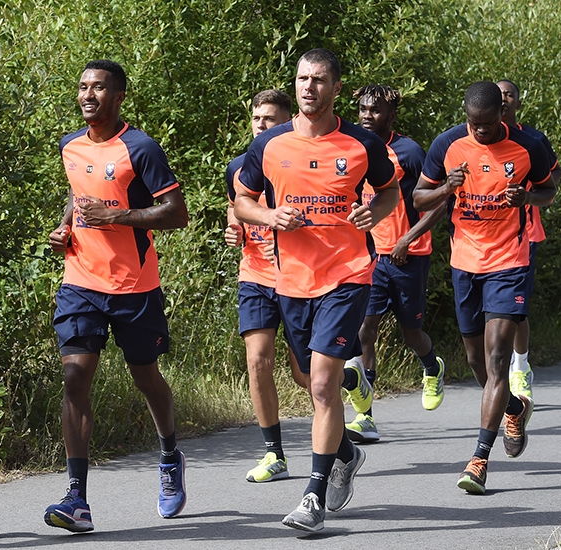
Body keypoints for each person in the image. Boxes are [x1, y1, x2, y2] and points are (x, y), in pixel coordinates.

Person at [235, 48, 398, 532]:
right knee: (309, 380)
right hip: (292, 280)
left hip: (347, 274)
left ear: (336, 88)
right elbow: (243, 201)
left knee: (326, 383)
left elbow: (390, 190)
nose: (309, 87)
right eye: (303, 78)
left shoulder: (361, 144)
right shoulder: (269, 146)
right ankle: (344, 455)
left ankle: (313, 497)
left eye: (319, 79)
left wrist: (377, 211)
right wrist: (270, 216)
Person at [44, 59, 190, 532]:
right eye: (82, 86)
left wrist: (119, 217)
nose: (88, 95)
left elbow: (175, 213)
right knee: (74, 379)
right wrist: (66, 226)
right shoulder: (70, 145)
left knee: (147, 378)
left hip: (134, 288)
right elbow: (77, 192)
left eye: (99, 88)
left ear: (119, 96)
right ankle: (76, 499)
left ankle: (169, 456)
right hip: (81, 282)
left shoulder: (140, 147)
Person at [414, 81, 556, 495]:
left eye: (489, 125)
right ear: (466, 117)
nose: (481, 132)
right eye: (474, 124)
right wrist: (446, 187)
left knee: (497, 359)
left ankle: (478, 460)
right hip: (465, 264)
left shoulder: (529, 145)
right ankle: (515, 407)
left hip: (509, 263)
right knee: (476, 362)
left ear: (502, 116)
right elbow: (419, 198)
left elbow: (550, 189)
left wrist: (526, 198)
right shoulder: (447, 144)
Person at [345, 84, 447, 444]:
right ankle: (365, 416)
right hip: (370, 255)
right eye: (361, 109)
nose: (366, 116)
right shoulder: (354, 146)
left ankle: (432, 366)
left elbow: (437, 202)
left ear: (392, 115)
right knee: (364, 330)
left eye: (374, 110)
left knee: (410, 333)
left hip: (409, 254)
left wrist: (407, 238)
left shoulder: (410, 152)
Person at [224, 89, 308, 483]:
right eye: (256, 118)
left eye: (269, 119)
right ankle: (274, 453)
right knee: (257, 358)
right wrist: (234, 229)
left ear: (287, 122)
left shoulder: (303, 161)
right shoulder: (238, 166)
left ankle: (349, 383)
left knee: (305, 373)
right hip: (255, 274)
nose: (260, 125)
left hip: (301, 275)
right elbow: (237, 203)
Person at [497, 79, 561, 400]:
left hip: (524, 233)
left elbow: (554, 177)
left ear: (517, 103)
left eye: (510, 95)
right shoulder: (470, 140)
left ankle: (520, 367)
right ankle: (498, 375)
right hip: (481, 240)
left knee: (517, 310)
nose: (504, 99)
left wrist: (531, 196)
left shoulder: (534, 140)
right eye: (499, 94)